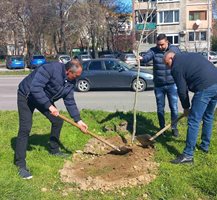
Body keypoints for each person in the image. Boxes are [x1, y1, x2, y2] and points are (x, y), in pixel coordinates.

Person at [15, 59, 88, 179]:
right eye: (75, 76)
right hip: (27, 95)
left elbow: (69, 101)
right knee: (25, 128)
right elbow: (35, 88)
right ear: (68, 71)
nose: (76, 79)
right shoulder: (50, 69)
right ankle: (21, 165)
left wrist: (78, 121)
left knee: (57, 120)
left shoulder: (70, 81)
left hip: (43, 97)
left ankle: (54, 150)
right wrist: (50, 106)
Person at [164, 51, 217, 164]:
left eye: (167, 64)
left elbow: (182, 90)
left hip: (205, 87)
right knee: (208, 116)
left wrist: (186, 107)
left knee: (194, 120)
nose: (168, 68)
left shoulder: (176, 67)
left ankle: (188, 155)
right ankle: (204, 146)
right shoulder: (187, 55)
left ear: (171, 58)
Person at [141, 34, 181, 137]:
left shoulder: (174, 50)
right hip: (159, 85)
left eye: (162, 45)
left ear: (167, 42)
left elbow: (180, 57)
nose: (160, 47)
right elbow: (146, 57)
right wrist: (141, 58)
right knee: (160, 108)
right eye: (158, 45)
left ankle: (174, 127)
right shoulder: (153, 51)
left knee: (174, 108)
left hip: (172, 84)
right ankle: (162, 128)